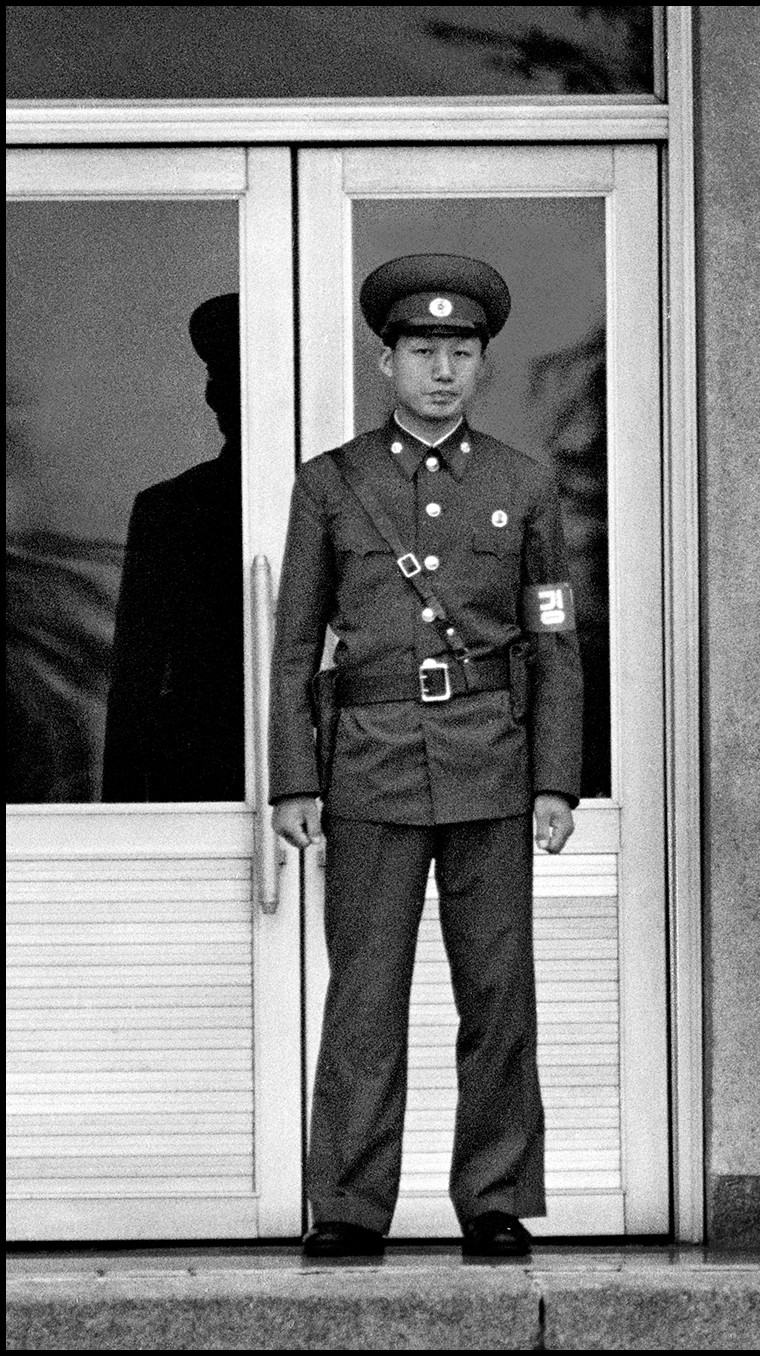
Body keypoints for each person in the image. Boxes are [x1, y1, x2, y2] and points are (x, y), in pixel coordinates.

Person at [269, 254, 582, 1260]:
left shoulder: (522, 487)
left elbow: (553, 642)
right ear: (384, 362)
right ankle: (351, 1209)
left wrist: (554, 781)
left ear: (482, 365)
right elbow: (291, 645)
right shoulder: (333, 485)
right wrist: (293, 780)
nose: (441, 370)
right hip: (369, 768)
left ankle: (493, 1200)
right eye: (421, 351)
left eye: (459, 352)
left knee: (497, 996)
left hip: (491, 767)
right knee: (365, 997)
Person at [101, 292, 246, 802]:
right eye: (223, 381)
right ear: (213, 395)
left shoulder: (349, 496)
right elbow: (135, 677)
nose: (228, 396)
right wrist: (120, 822)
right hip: (197, 763)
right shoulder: (171, 508)